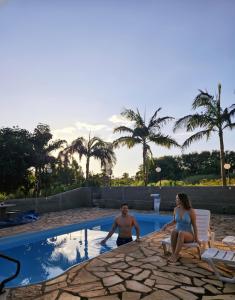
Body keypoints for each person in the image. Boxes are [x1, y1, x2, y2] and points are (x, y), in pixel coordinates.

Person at [162, 193, 200, 263]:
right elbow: (174, 221)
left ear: (182, 200)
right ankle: (175, 254)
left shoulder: (190, 211)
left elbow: (194, 225)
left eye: (177, 198)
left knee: (181, 233)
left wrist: (197, 238)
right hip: (177, 234)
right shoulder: (176, 209)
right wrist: (166, 225)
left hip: (188, 235)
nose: (176, 200)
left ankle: (175, 255)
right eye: (176, 198)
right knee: (174, 231)